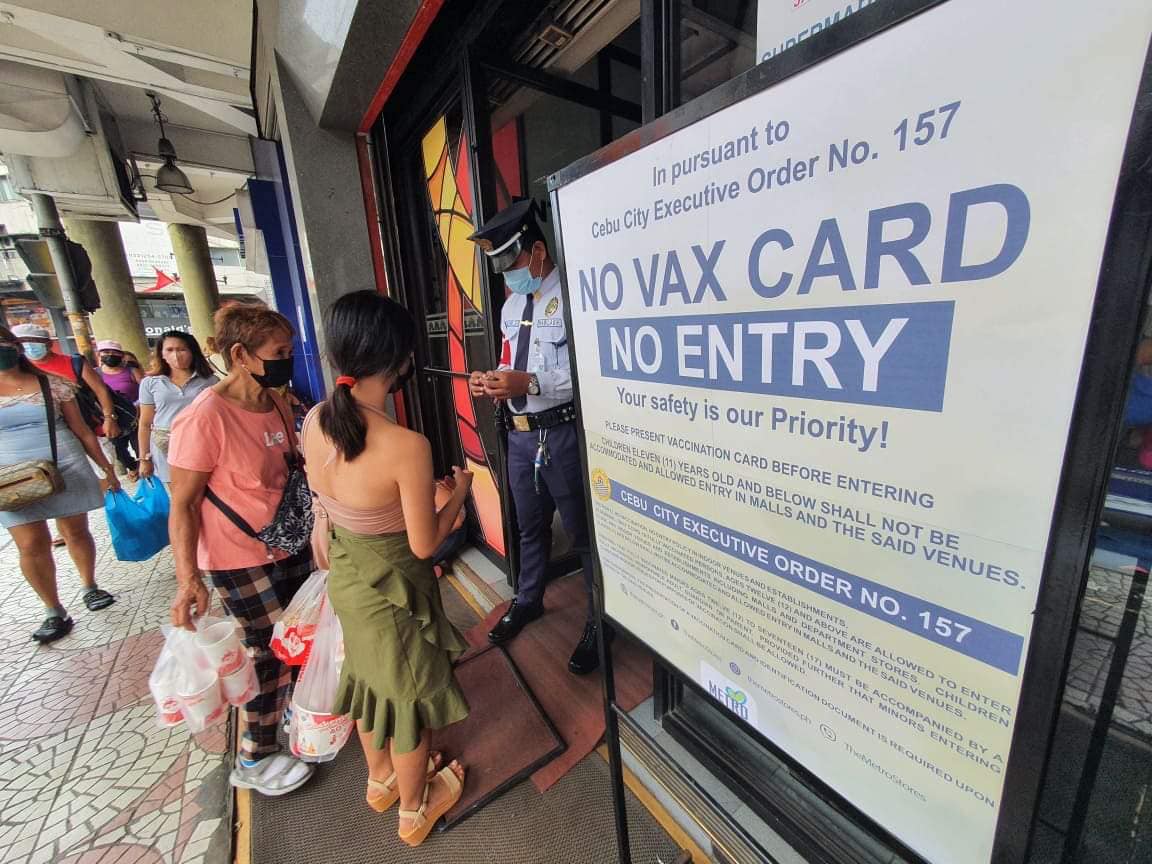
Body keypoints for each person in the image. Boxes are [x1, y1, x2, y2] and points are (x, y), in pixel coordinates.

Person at [302, 291, 468, 846]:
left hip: (349, 579)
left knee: (370, 684)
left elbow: (329, 498)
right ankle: (416, 810)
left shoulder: (315, 420)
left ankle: (380, 782)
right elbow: (424, 546)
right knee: (406, 704)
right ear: (399, 360)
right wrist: (456, 495)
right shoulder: (406, 444)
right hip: (397, 596)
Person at [167, 304, 315, 797]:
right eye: (278, 352)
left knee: (300, 640)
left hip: (288, 541)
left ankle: (294, 721)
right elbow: (183, 506)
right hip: (238, 558)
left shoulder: (277, 400)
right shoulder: (204, 418)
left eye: (289, 351)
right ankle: (254, 757)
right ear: (240, 354)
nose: (287, 360)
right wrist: (188, 579)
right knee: (267, 653)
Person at [467, 199, 609, 675]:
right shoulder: (511, 306)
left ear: (539, 250)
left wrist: (528, 383)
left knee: (583, 535)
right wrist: (495, 379)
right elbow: (513, 359)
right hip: (522, 437)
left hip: (562, 434)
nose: (508, 273)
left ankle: (599, 621)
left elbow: (587, 370)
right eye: (502, 266)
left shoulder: (575, 297)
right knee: (529, 527)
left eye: (513, 261)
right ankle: (528, 598)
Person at [0, 327, 119, 643]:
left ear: (16, 347)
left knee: (75, 531)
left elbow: (81, 430)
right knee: (29, 543)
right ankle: (53, 609)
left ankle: (90, 585)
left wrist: (107, 468)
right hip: (11, 477)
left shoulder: (51, 384)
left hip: (63, 464)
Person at [12, 324, 122, 442]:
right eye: (22, 341)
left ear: (49, 344)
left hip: (88, 427)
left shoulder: (74, 363)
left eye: (34, 341)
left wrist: (110, 419)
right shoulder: (14, 369)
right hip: (41, 436)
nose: (28, 345)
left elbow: (101, 390)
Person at [137, 331, 217, 484]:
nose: (176, 355)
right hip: (165, 443)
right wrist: (144, 458)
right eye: (170, 350)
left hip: (200, 442)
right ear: (161, 353)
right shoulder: (150, 382)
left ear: (192, 352)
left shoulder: (211, 381)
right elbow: (145, 423)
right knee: (179, 495)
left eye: (182, 349)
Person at [96, 340, 142, 480]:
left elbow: (147, 390)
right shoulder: (95, 374)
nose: (110, 355)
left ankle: (143, 469)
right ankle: (133, 467)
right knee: (119, 451)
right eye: (106, 352)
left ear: (121, 355)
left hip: (135, 416)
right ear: (99, 355)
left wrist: (139, 406)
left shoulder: (132, 371)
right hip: (111, 419)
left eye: (114, 352)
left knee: (140, 447)